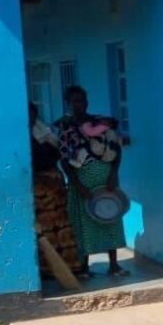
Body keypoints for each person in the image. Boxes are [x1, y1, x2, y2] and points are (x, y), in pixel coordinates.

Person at [55, 86, 128, 278]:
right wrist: (77, 184)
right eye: (75, 101)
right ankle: (84, 268)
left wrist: (113, 174)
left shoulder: (100, 124)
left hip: (106, 180)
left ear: (87, 101)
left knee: (109, 217)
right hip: (81, 183)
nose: (79, 104)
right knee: (84, 223)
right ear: (68, 104)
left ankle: (114, 265)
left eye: (82, 100)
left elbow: (116, 149)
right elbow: (64, 159)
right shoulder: (65, 128)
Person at [30, 103, 83, 278]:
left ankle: (70, 266)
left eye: (33, 114)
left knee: (61, 226)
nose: (30, 118)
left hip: (52, 185)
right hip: (37, 190)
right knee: (43, 230)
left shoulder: (44, 133)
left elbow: (54, 155)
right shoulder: (23, 137)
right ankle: (48, 269)